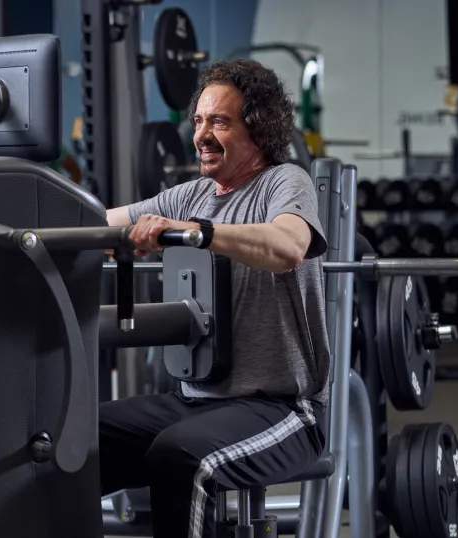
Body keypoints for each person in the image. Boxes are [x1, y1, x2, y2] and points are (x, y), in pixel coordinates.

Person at [101, 59, 331, 538]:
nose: (202, 134)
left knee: (180, 456)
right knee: (76, 439)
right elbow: (100, 224)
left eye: (220, 122)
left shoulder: (285, 183)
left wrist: (195, 232)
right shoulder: (190, 195)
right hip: (195, 401)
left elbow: (286, 246)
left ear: (259, 128)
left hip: (283, 409)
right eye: (199, 121)